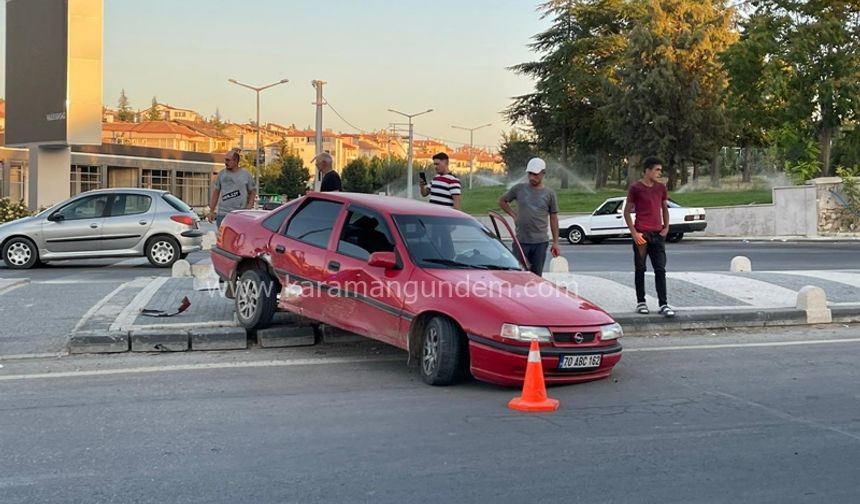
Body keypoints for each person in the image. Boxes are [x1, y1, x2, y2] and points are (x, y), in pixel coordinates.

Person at [623, 156, 675, 318]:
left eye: (660, 170)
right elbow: (627, 211)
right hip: (642, 234)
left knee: (660, 269)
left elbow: (664, 209)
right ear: (647, 170)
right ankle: (641, 301)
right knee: (640, 269)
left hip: (658, 234)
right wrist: (634, 232)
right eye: (657, 169)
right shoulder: (636, 188)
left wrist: (666, 227)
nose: (659, 172)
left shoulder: (661, 188)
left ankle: (663, 303)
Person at [498, 157, 560, 276]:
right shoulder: (519, 189)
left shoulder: (549, 194)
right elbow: (502, 201)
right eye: (530, 174)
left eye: (535, 174)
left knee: (536, 276)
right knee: (517, 274)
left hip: (540, 242)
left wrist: (556, 242)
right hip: (520, 241)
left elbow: (553, 218)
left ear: (543, 173)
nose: (532, 177)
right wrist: (513, 215)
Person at [208, 148, 257, 228]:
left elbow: (252, 192)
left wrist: (248, 208)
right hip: (223, 214)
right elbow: (216, 192)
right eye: (225, 160)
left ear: (235, 161)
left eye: (228, 160)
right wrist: (211, 211)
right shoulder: (222, 174)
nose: (225, 162)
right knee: (223, 238)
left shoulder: (246, 174)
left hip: (240, 214)